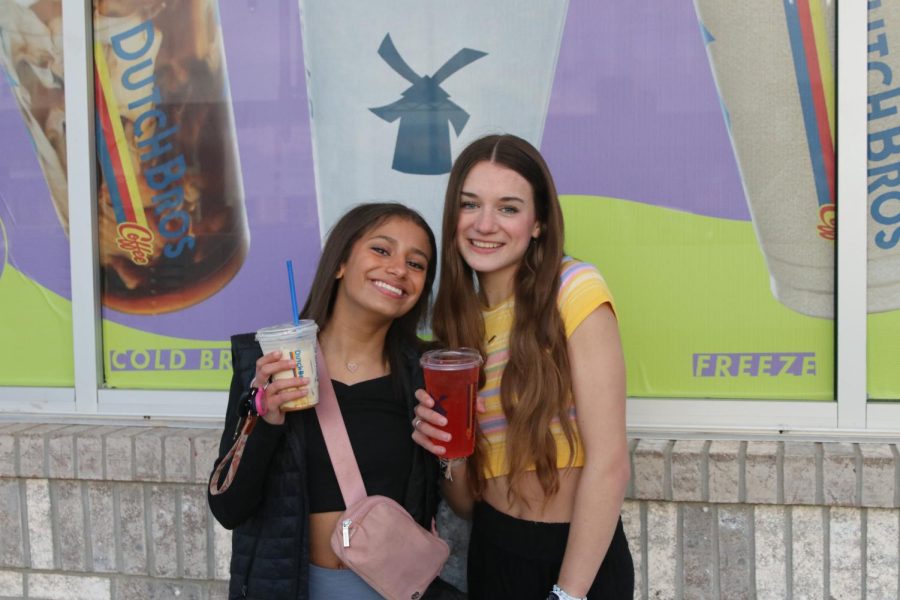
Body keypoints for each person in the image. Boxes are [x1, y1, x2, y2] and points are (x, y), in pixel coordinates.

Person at [412, 134, 634, 599]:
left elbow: (610, 462)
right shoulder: (457, 327)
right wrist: (446, 450)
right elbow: (467, 504)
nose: (485, 224)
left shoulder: (573, 289)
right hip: (493, 550)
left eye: (509, 208)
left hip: (577, 561)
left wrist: (568, 595)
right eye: (470, 204)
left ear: (538, 224)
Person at [209, 203, 460, 599]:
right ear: (340, 263)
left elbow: (464, 505)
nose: (398, 269)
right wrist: (265, 421)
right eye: (381, 250)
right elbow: (228, 509)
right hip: (297, 588)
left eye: (417, 264)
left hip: (391, 589)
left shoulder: (426, 377)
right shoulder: (271, 368)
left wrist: (452, 451)